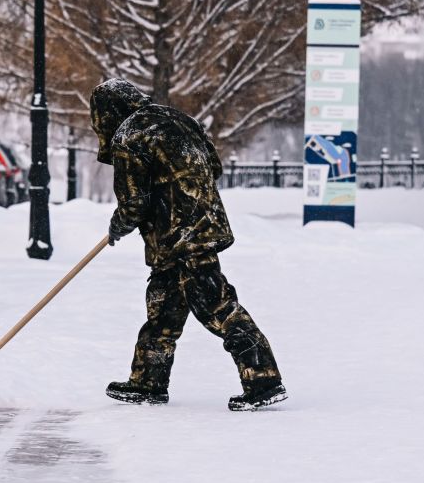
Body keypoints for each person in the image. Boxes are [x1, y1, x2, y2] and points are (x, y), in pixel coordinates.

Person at [90, 78, 286, 411]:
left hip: (178, 238)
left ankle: (263, 379)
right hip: (197, 228)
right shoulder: (179, 119)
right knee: (163, 310)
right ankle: (147, 382)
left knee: (216, 307)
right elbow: (214, 167)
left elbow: (134, 202)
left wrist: (119, 224)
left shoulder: (128, 136)